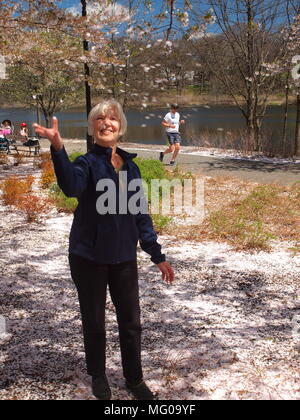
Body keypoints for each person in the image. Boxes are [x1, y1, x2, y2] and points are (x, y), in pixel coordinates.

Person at [33, 99, 174, 401]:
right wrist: (57, 147)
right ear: (93, 127)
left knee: (131, 323)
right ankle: (98, 375)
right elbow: (71, 186)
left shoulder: (131, 167)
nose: (107, 123)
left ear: (120, 126)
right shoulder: (86, 164)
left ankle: (134, 379)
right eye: (100, 119)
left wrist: (156, 254)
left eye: (112, 118)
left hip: (123, 257)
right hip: (89, 258)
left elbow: (140, 215)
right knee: (94, 321)